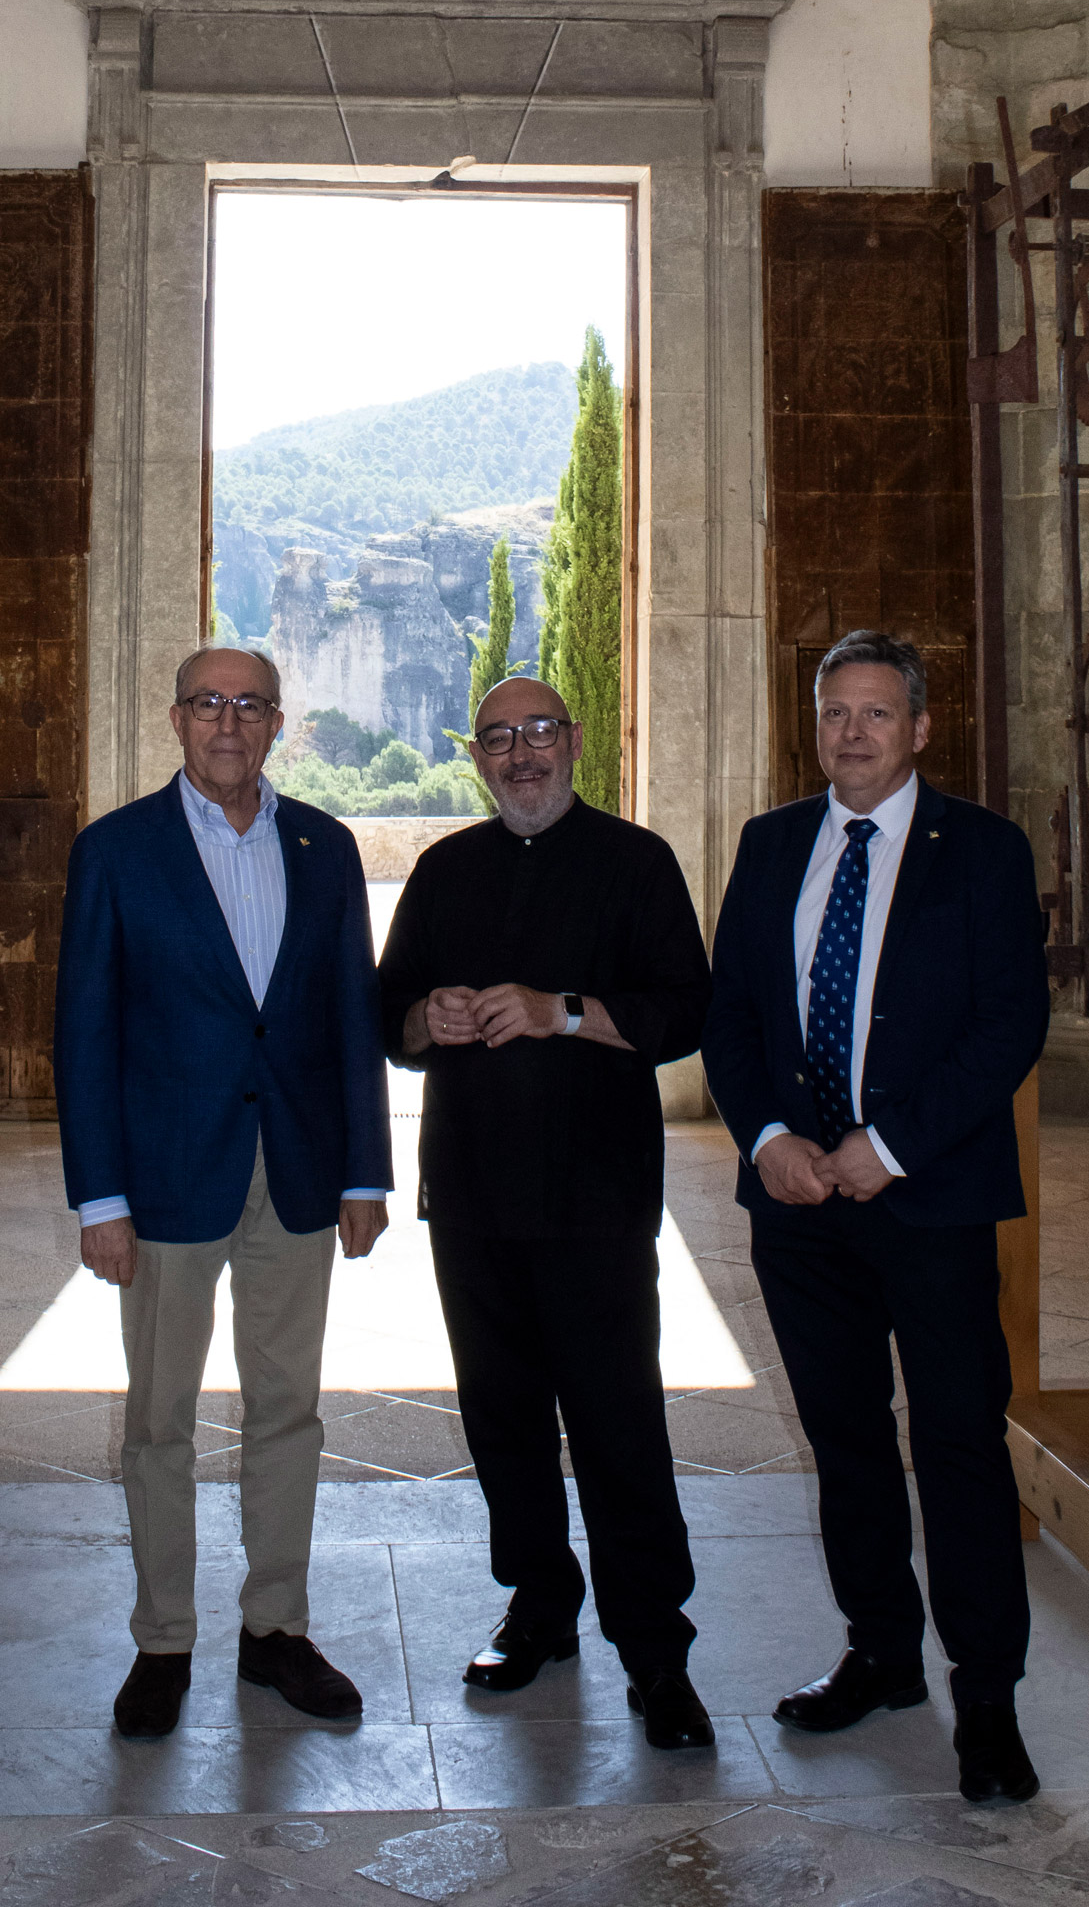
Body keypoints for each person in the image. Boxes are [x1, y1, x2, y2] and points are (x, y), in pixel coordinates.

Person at [701, 629, 1049, 1804]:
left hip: (931, 1198)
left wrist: (884, 1149)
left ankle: (986, 1695)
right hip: (797, 1204)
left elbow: (1007, 1025)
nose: (850, 732)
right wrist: (768, 1141)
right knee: (843, 1437)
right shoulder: (767, 844)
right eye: (833, 711)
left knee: (954, 1438)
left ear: (917, 727)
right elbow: (732, 1014)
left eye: (874, 713)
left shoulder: (984, 853)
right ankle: (881, 1654)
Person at [53, 645, 393, 1739]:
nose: (228, 723)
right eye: (208, 702)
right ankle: (162, 1639)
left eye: (249, 705)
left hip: (295, 1172)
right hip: (163, 1182)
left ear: (279, 723)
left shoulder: (324, 845)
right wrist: (98, 1198)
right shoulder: (114, 851)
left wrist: (363, 1170)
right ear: (176, 718)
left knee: (287, 1407)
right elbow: (85, 1033)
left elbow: (350, 1013)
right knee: (158, 1419)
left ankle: (275, 1629)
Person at [377, 676, 716, 1751]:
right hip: (470, 1195)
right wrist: (424, 1018)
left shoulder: (635, 861)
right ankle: (537, 1601)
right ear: (474, 756)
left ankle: (655, 1647)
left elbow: (682, 1012)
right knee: (501, 1413)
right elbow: (387, 1014)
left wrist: (560, 1010)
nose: (520, 754)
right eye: (496, 738)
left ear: (572, 741)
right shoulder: (442, 870)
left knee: (618, 1419)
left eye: (537, 732)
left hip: (596, 1197)